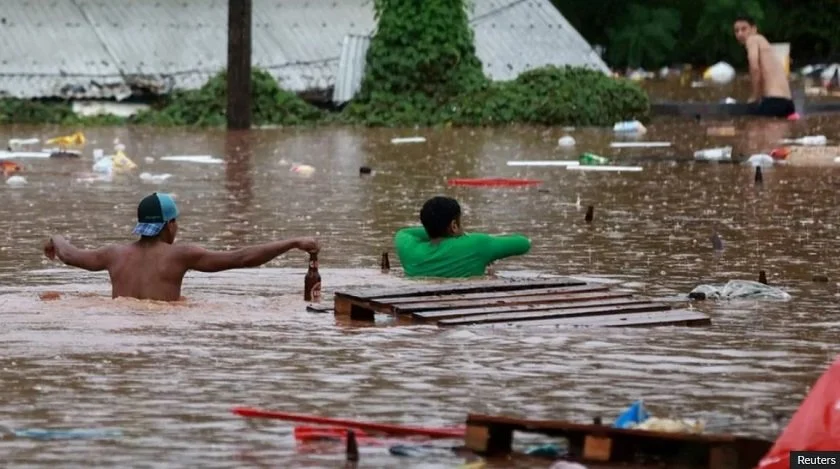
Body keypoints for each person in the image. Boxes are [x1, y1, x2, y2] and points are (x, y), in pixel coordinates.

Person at [43, 192, 320, 301]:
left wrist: (55, 238)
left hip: (120, 322)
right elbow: (242, 258)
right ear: (168, 225)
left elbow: (68, 254)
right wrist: (292, 242)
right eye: (175, 222)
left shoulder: (113, 254)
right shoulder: (180, 255)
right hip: (165, 327)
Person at [394, 196, 531, 278]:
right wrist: (464, 236)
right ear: (454, 225)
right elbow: (524, 243)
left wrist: (433, 229)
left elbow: (405, 232)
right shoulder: (477, 245)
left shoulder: (408, 249)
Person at [733, 14, 795, 118]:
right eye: (736, 31)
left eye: (744, 29)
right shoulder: (765, 44)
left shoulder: (753, 39)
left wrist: (754, 96)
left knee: (752, 129)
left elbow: (755, 68)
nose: (740, 34)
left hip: (774, 101)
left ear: (754, 29)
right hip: (788, 103)